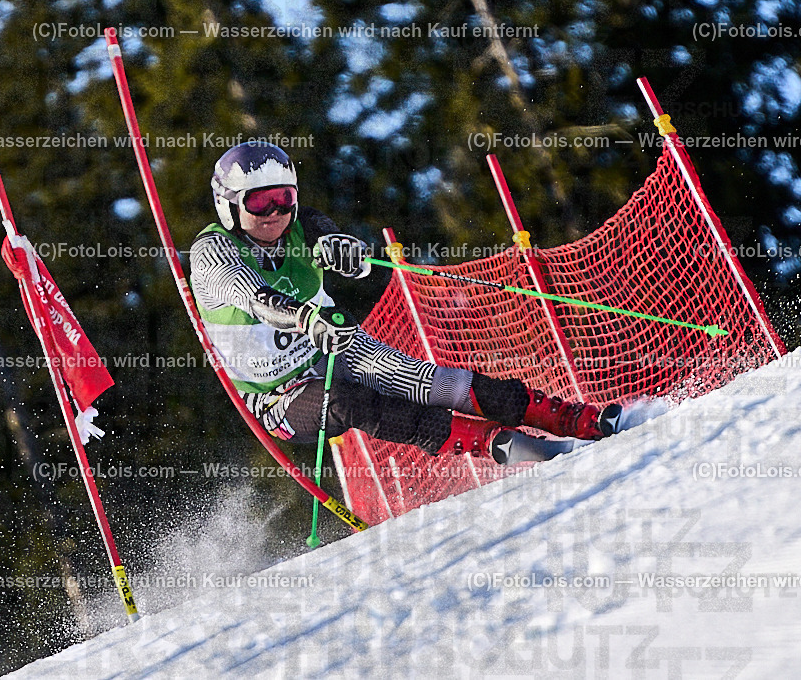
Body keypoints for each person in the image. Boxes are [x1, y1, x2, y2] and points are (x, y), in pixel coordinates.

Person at [189, 141, 622, 465]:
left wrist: (348, 253)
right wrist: (307, 318)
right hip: (278, 394)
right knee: (346, 401)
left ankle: (577, 420)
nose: (275, 212)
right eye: (260, 202)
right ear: (229, 206)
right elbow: (256, 298)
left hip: (336, 345)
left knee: (434, 383)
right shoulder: (213, 252)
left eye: (284, 198)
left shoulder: (303, 226)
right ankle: (495, 443)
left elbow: (338, 245)